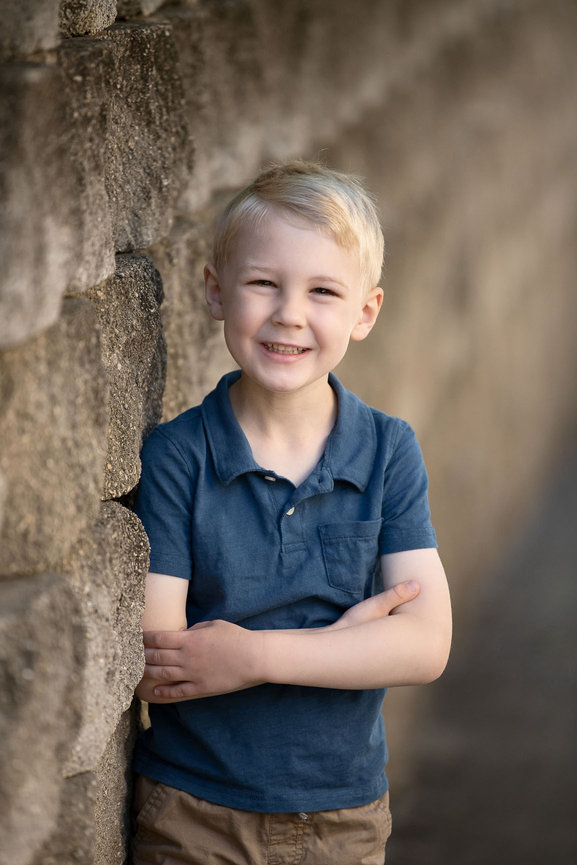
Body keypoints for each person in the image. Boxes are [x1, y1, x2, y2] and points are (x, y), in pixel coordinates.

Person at [131, 161, 452, 865]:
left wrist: (251, 654)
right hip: (194, 808)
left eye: (323, 291)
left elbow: (425, 645)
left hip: (343, 815)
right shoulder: (179, 454)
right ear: (215, 292)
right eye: (263, 283)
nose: (289, 313)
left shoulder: (387, 450)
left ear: (364, 312)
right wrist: (346, 642)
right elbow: (162, 665)